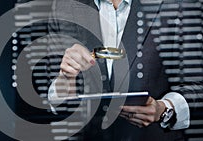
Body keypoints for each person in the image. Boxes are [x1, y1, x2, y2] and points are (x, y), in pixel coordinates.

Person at [46, 0, 200, 140]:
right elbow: (55, 100)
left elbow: (196, 85)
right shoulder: (63, 7)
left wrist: (164, 109)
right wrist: (65, 78)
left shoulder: (177, 5)